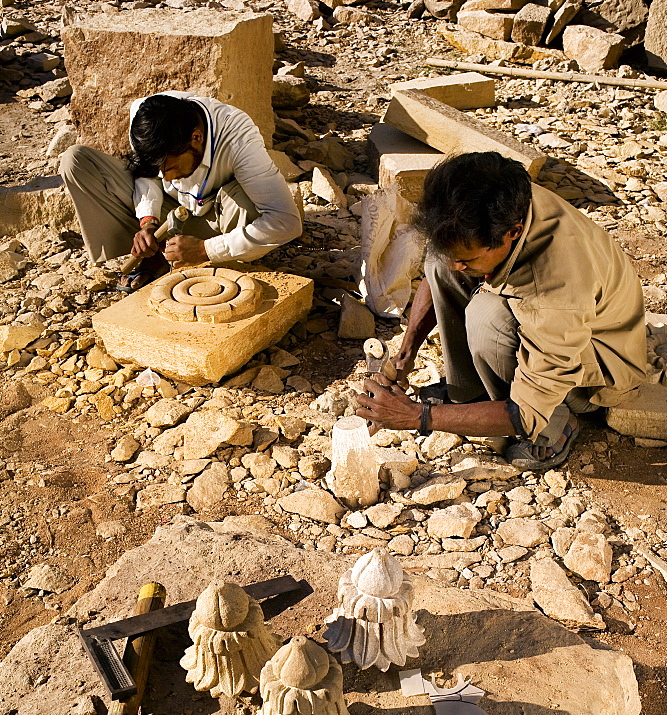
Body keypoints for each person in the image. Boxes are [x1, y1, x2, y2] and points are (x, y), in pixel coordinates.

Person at [356, 151, 646, 471]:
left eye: (469, 260)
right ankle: (471, 395)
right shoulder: (497, 202)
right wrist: (404, 355)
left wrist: (417, 417)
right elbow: (445, 263)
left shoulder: (555, 286)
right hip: (565, 324)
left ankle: (556, 427)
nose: (460, 267)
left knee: (487, 319)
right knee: (441, 264)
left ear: (514, 232)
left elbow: (526, 411)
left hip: (598, 371)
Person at [60, 91, 303, 289]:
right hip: (174, 217)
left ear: (196, 137)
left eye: (172, 167)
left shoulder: (238, 136)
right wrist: (148, 223)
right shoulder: (146, 120)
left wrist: (205, 249)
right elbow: (148, 176)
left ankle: (216, 267)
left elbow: (287, 222)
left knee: (245, 199)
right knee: (76, 161)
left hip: (219, 226)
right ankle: (155, 254)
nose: (166, 177)